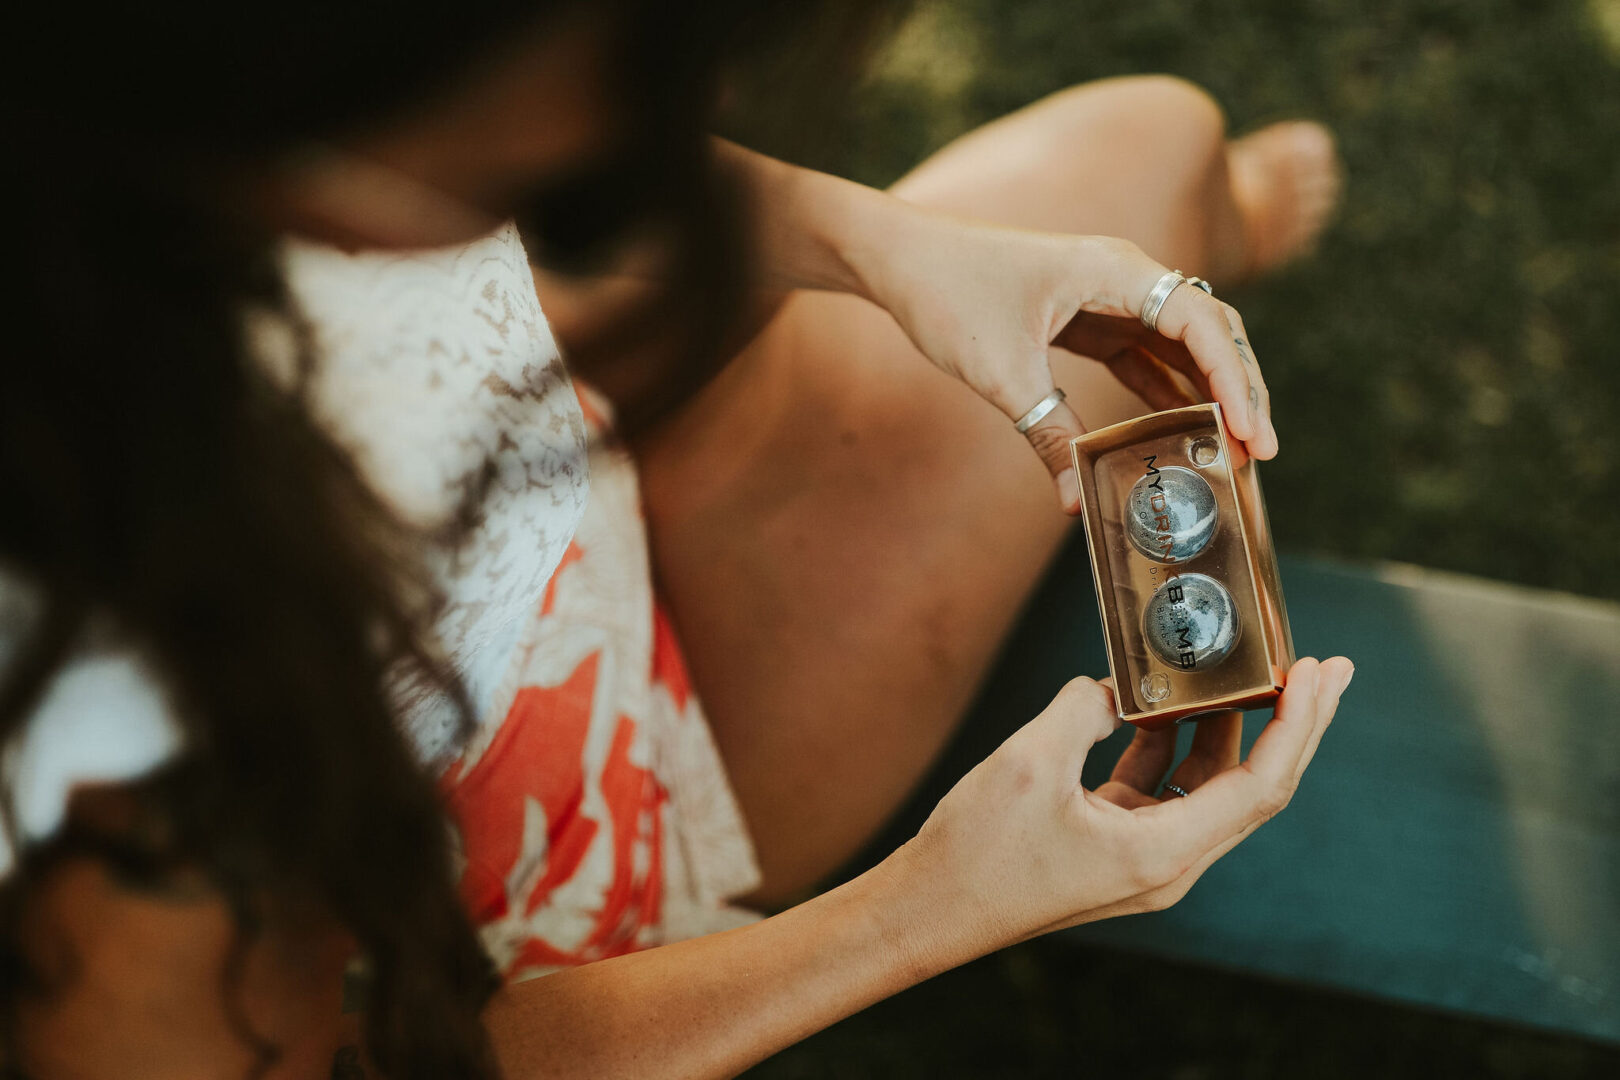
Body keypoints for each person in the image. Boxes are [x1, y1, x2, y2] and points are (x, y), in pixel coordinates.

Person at [3, 1, 1353, 1076]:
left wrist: (885, 246)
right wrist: (938, 907)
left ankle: (1205, 208)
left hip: (531, 457)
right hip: (557, 806)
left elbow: (488, 154)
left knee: (1155, 149)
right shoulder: (132, 817)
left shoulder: (119, 102)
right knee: (1158, 168)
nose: (685, 113)